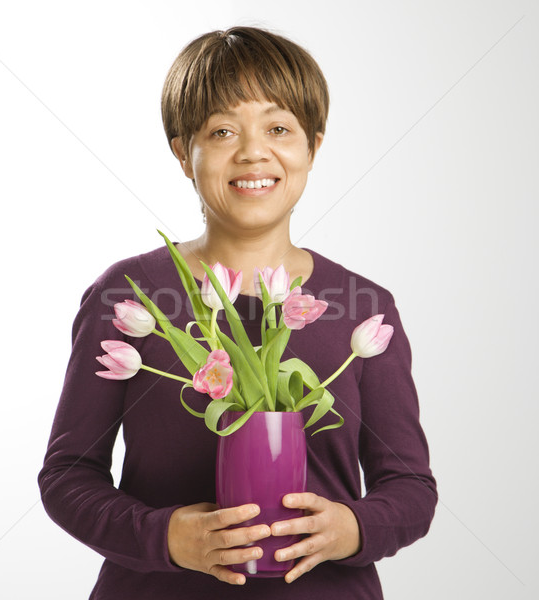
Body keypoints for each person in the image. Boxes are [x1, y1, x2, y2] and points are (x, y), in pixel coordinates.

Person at [38, 26, 437, 599]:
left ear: (312, 147)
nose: (253, 152)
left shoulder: (365, 308)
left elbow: (411, 487)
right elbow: (67, 474)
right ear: (183, 151)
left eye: (279, 129)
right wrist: (167, 537)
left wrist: (351, 528)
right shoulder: (128, 296)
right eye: (223, 130)